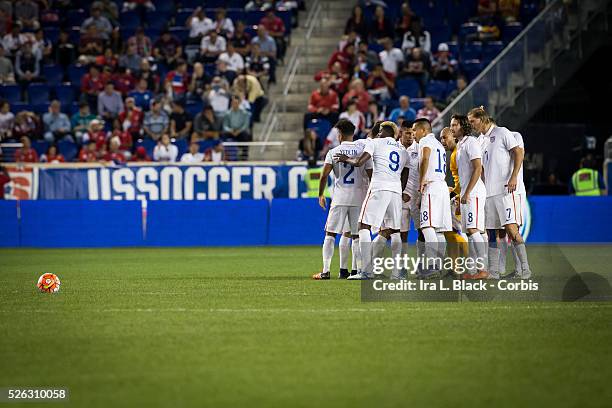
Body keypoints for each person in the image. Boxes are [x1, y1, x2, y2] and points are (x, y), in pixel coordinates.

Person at [336, 121, 409, 280]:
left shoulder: (375, 142)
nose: (377, 132)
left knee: (363, 226)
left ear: (383, 131)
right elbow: (406, 173)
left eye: (380, 130)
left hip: (378, 187)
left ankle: (366, 271)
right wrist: (400, 189)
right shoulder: (402, 149)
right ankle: (397, 273)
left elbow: (358, 162)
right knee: (395, 230)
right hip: (395, 190)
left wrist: (345, 159)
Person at [468, 106, 531, 279]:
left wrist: (513, 178)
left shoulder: (503, 132)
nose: (471, 125)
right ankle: (494, 272)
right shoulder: (480, 140)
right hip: (489, 193)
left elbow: (518, 152)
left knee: (511, 229)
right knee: (491, 232)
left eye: (473, 121)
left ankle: (525, 269)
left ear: (483, 119)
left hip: (505, 191)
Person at [312, 119, 372, 280]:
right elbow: (371, 175)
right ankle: (358, 271)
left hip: (339, 197)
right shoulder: (363, 152)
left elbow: (324, 175)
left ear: (339, 135)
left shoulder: (333, 152)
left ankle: (325, 271)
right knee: (357, 235)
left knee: (330, 234)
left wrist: (320, 194)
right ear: (353, 134)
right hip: (358, 197)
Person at [449, 114, 488, 279]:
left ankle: (483, 269)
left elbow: (478, 168)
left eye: (455, 125)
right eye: (451, 125)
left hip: (473, 193)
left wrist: (467, 192)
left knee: (474, 230)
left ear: (463, 126)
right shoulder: (461, 145)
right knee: (470, 231)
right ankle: (473, 270)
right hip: (466, 193)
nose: (452, 128)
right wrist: (460, 194)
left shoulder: (471, 142)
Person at [412, 118, 452, 278]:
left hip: (432, 186)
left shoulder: (425, 141)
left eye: (415, 130)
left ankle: (432, 266)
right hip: (442, 186)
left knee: (427, 226)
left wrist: (421, 182)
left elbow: (425, 158)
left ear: (423, 130)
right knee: (440, 230)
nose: (413, 134)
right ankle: (438, 266)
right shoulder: (439, 145)